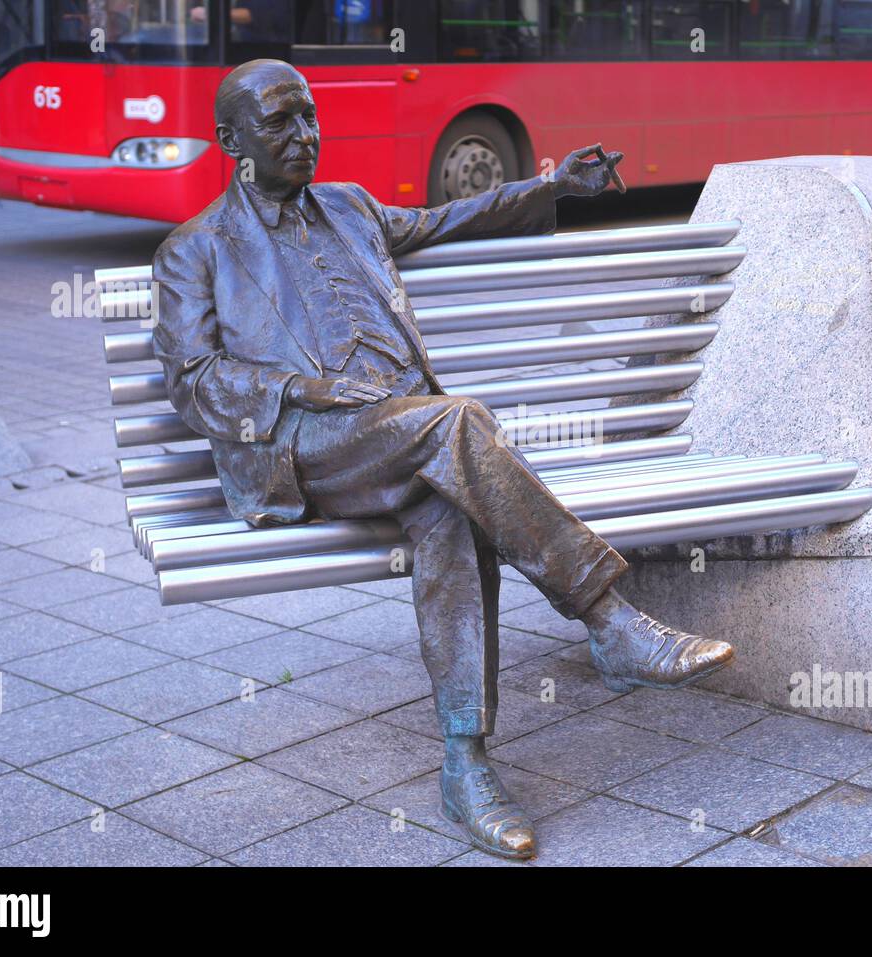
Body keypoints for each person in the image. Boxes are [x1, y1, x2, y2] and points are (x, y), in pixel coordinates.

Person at [153, 59, 734, 860]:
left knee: (446, 504)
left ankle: (465, 764)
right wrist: (298, 388)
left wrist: (552, 187)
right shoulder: (197, 250)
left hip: (406, 435)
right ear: (230, 141)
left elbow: (447, 220)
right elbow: (193, 381)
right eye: (281, 122)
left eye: (311, 116)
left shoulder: (351, 208)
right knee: (457, 425)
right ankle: (608, 619)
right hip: (305, 445)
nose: (305, 135)